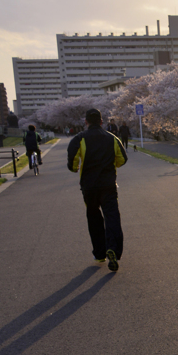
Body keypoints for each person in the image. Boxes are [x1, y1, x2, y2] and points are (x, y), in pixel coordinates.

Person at [67, 108, 127, 271]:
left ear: (86, 122)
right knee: (112, 216)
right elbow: (122, 159)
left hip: (89, 186)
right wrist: (109, 166)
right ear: (102, 122)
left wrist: (77, 168)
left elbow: (72, 163)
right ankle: (113, 249)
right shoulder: (112, 138)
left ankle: (99, 253)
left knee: (93, 217)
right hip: (108, 185)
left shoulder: (79, 139)